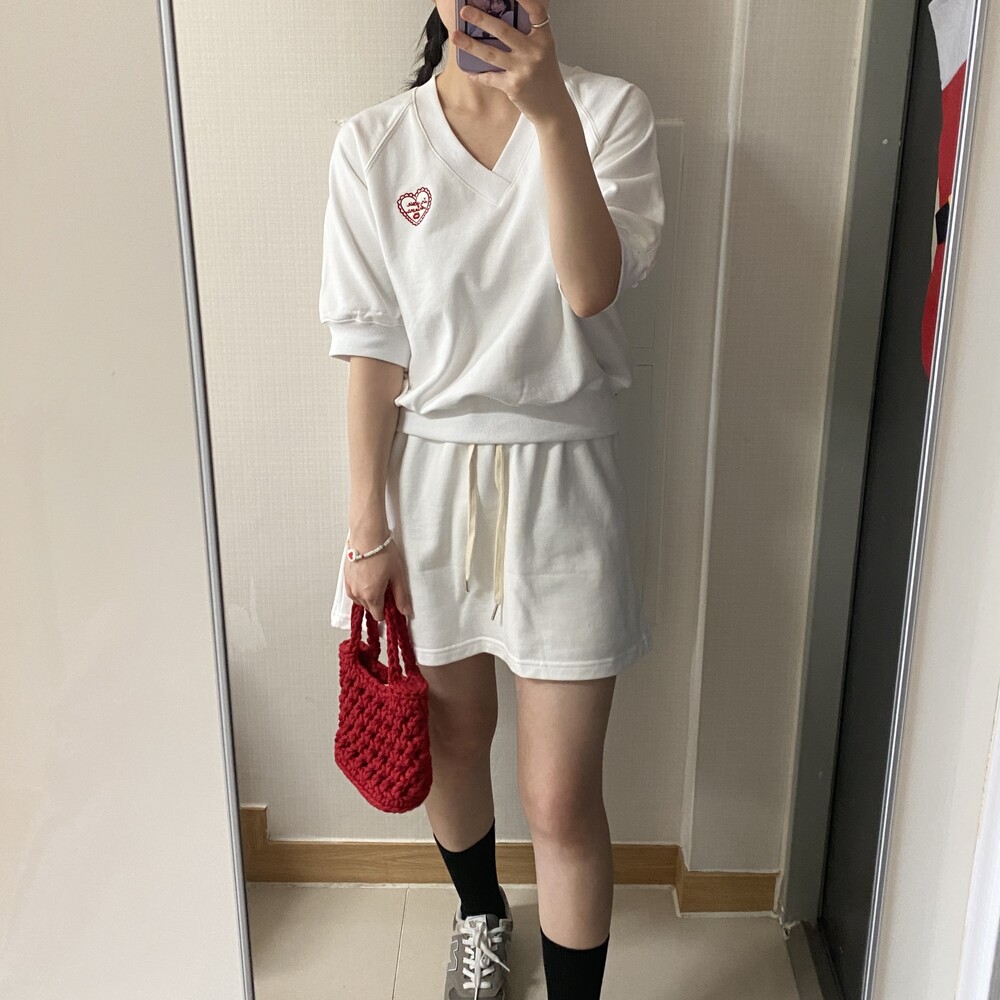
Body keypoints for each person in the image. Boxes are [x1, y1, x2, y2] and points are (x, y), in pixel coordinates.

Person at [319, 1, 665, 997]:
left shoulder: (609, 112)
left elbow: (590, 288)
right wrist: (366, 529)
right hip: (429, 481)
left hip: (565, 480)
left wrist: (549, 113)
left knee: (560, 795)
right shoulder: (374, 142)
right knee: (452, 742)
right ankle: (479, 914)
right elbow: (373, 349)